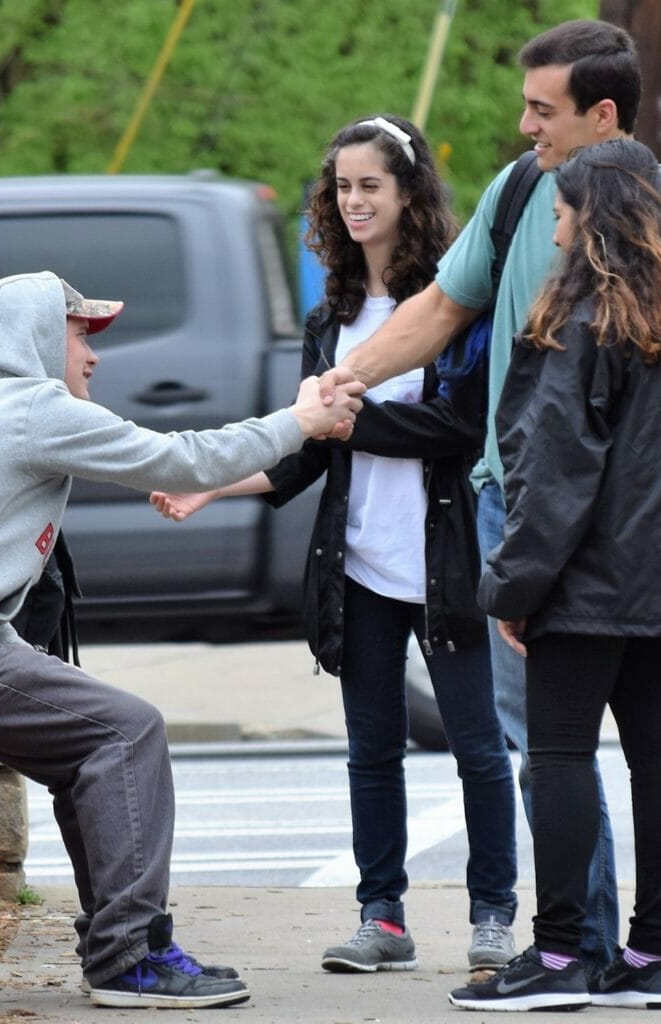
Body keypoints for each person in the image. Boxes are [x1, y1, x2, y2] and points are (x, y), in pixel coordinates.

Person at [318, 18, 661, 976]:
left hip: (617, 520)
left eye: (544, 110)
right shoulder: (516, 194)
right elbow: (439, 310)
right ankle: (593, 949)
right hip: (523, 504)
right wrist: (344, 382)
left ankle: (606, 955)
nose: (525, 125)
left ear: (604, 115)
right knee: (558, 748)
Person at [0, 270, 363, 1011]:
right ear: (36, 340)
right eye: (79, 334)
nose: (94, 355)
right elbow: (184, 462)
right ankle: (129, 956)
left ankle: (120, 946)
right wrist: (300, 418)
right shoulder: (29, 408)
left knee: (92, 743)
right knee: (126, 731)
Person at [150, 114, 519, 973]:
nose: (354, 202)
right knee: (371, 753)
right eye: (343, 187)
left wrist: (349, 421)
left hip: (447, 562)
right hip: (356, 567)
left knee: (478, 749)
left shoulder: (452, 304)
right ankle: (381, 917)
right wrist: (211, 484)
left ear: (408, 193)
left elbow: (456, 426)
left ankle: (494, 915)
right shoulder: (332, 318)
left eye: (371, 186)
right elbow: (310, 447)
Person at [449, 136, 661, 1011]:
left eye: (563, 213)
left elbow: (557, 472)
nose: (555, 231)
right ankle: (647, 962)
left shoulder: (575, 323)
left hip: (585, 579)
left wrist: (514, 588)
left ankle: (560, 959)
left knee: (559, 754)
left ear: (594, 221)